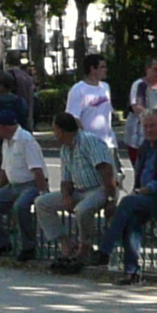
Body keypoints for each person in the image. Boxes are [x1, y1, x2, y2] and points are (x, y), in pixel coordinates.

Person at [100, 108, 157, 273]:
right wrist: (138, 191)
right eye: (146, 126)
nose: (149, 130)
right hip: (150, 198)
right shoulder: (145, 146)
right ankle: (132, 271)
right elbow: (139, 174)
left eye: (153, 126)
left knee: (128, 203)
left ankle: (105, 250)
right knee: (131, 218)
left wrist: (142, 191)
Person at [0, 98, 50, 261]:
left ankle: (28, 247)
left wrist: (42, 192)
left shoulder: (25, 140)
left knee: (21, 207)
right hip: (13, 185)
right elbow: (5, 169)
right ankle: (1, 244)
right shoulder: (7, 141)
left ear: (4, 127)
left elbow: (37, 169)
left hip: (30, 185)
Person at [47, 109, 119, 266]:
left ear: (61, 130)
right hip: (78, 190)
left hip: (99, 188)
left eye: (55, 129)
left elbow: (107, 171)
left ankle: (84, 244)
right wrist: (66, 196)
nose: (54, 133)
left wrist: (111, 198)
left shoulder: (89, 141)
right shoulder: (65, 149)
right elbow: (65, 179)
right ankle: (65, 242)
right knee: (42, 203)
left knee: (82, 209)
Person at [65, 51, 115, 146]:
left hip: (108, 142)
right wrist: (85, 139)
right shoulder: (78, 89)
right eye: (102, 67)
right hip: (89, 144)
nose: (106, 70)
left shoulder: (105, 87)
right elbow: (73, 118)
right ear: (92, 69)